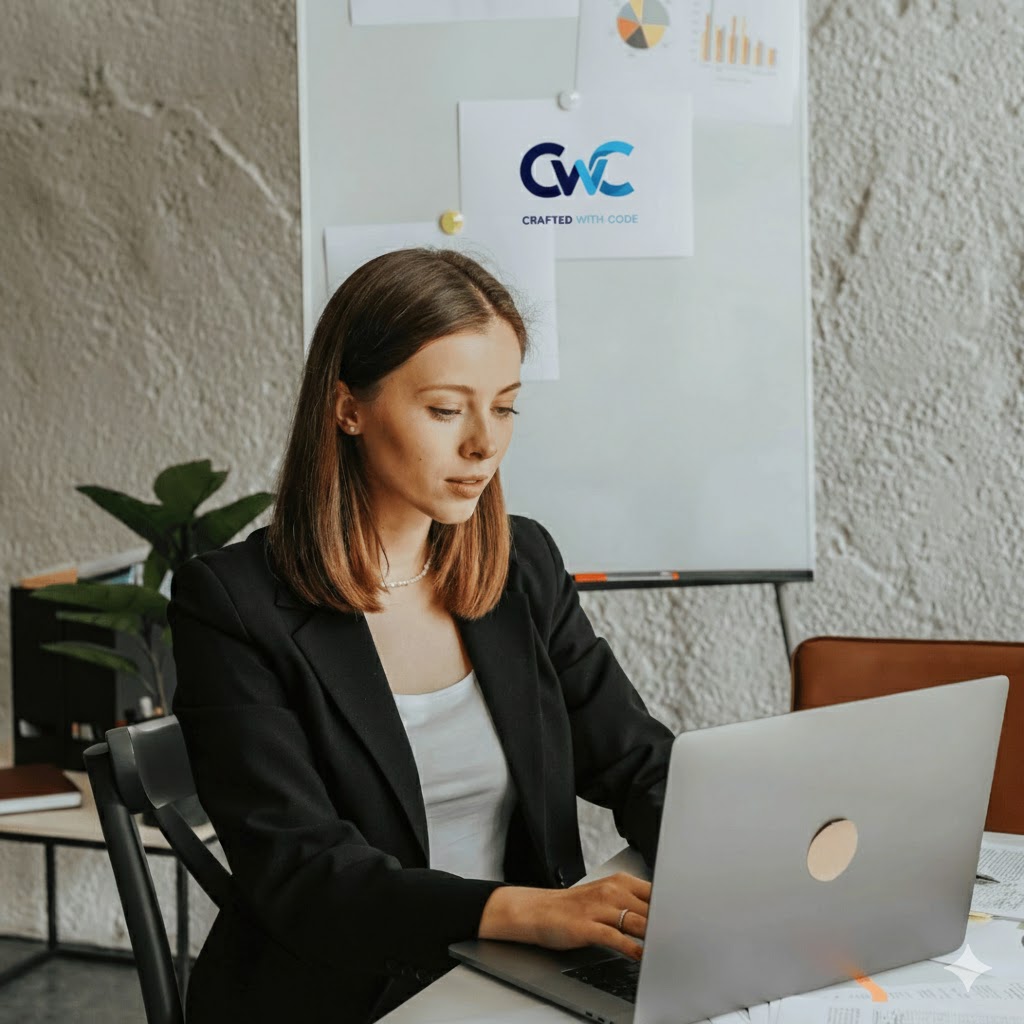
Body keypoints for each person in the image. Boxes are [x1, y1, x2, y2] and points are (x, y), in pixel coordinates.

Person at [168, 248, 676, 1024]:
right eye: (445, 410)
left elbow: (635, 759)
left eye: (504, 408)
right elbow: (303, 874)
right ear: (348, 408)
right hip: (339, 997)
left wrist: (726, 861)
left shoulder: (522, 562)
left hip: (515, 980)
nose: (484, 444)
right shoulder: (233, 604)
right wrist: (530, 913)